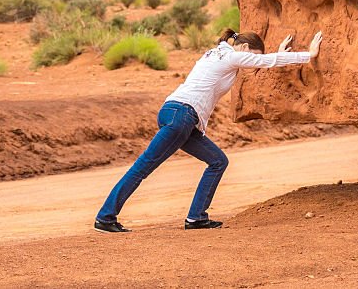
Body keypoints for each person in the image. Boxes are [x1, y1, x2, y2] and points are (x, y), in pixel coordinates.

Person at [94, 27, 323, 232]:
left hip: (176, 114)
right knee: (142, 167)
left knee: (217, 161)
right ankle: (105, 217)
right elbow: (263, 62)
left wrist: (277, 53)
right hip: (181, 116)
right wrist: (308, 55)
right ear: (244, 47)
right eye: (252, 56)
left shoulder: (217, 53)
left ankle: (196, 218)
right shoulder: (231, 56)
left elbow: (259, 65)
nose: (251, 61)